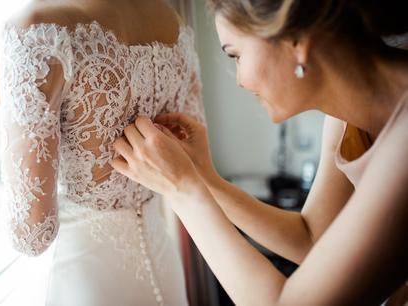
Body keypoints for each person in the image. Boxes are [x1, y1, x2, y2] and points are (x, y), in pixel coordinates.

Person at [109, 0, 408, 305]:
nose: (239, 80)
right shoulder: (347, 117)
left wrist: (182, 189)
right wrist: (206, 179)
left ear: (296, 41)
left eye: (235, 55)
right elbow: (315, 238)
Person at [0, 0, 206, 305]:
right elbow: (196, 160)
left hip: (84, 278)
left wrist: (28, 50)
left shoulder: (38, 28)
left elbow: (31, 234)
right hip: (163, 263)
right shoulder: (171, 19)